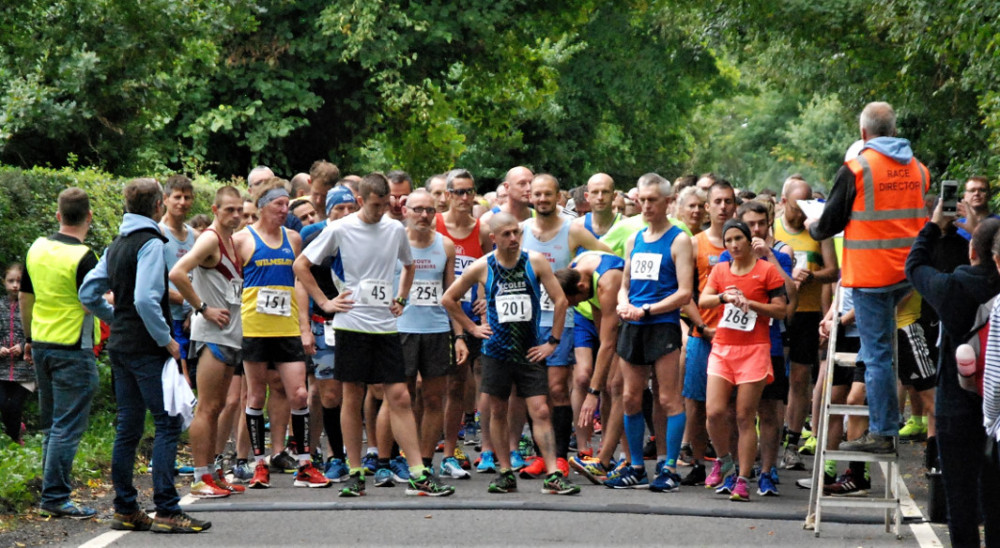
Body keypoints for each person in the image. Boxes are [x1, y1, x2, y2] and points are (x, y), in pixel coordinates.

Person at [294, 172, 455, 498]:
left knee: (400, 397)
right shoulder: (340, 228)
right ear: (360, 201)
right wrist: (325, 303)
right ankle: (355, 472)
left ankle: (418, 473)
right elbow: (301, 265)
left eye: (386, 204)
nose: (383, 210)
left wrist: (401, 298)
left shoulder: (394, 229)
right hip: (351, 324)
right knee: (351, 397)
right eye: (376, 205)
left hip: (385, 327)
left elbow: (409, 265)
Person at [80, 178, 210, 532]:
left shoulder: (116, 244)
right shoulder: (151, 243)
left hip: (120, 346)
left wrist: (115, 319)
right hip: (147, 348)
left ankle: (124, 507)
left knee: (129, 427)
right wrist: (166, 338)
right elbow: (145, 299)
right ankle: (167, 509)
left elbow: (88, 292)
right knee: (167, 423)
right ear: (158, 206)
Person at [809, 101, 930, 453]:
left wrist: (813, 226)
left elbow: (829, 224)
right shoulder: (919, 170)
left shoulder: (857, 167)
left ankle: (882, 430)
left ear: (864, 134)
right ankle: (884, 422)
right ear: (893, 130)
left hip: (872, 276)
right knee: (878, 351)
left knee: (877, 354)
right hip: (907, 275)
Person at [441, 212, 580, 495]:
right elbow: (448, 298)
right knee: (498, 410)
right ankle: (505, 471)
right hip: (496, 351)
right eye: (507, 234)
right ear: (494, 239)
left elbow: (561, 300)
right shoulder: (483, 267)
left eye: (517, 232)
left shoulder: (535, 261)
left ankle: (553, 472)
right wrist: (472, 328)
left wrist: (552, 341)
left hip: (529, 350)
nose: (514, 238)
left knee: (540, 409)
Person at [906, 200, 1000, 547]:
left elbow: (914, 266)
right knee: (995, 496)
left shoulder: (952, 287)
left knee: (959, 499)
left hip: (955, 404)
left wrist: (932, 226)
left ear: (971, 250)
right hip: (998, 409)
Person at [232, 177, 330, 489]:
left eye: (287, 204)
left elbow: (299, 282)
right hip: (255, 329)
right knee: (257, 395)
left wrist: (304, 328)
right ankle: (258, 464)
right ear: (262, 207)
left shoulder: (293, 238)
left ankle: (304, 464)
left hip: (287, 329)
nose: (284, 210)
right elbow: (231, 282)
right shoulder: (241, 240)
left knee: (299, 393)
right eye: (279, 204)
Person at [603, 175, 693, 492]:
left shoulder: (679, 240)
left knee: (668, 397)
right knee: (629, 396)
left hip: (661, 325)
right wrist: (624, 303)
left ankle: (668, 467)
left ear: (668, 202)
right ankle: (637, 466)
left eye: (652, 200)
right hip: (634, 325)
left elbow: (684, 293)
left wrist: (647, 310)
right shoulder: (634, 239)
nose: (645, 206)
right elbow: (625, 283)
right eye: (642, 199)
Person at [517, 173, 610, 477]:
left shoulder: (572, 231)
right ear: (530, 197)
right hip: (527, 320)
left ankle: (557, 455)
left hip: (563, 319)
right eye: (537, 194)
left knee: (557, 388)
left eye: (548, 194)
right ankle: (540, 454)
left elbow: (607, 257)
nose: (542, 199)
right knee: (533, 390)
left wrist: (589, 287)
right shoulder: (519, 231)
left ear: (559, 197)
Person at [19, 188, 100, 519]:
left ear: (58, 215)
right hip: (73, 349)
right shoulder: (85, 257)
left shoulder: (36, 248)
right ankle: (54, 496)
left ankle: (50, 493)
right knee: (67, 426)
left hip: (41, 345)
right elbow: (89, 301)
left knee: (52, 424)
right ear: (89, 217)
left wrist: (28, 337)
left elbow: (26, 297)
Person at [168, 186, 247, 498]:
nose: (236, 215)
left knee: (219, 406)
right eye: (229, 210)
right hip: (211, 335)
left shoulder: (231, 240)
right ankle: (201, 477)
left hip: (230, 335)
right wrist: (202, 308)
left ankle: (212, 473)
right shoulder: (211, 238)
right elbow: (177, 273)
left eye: (239, 210)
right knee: (208, 407)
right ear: (215, 210)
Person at [699, 219, 787, 501]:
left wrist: (752, 304)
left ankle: (743, 478)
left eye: (739, 238)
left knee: (744, 416)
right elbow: (704, 300)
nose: (734, 245)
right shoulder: (721, 269)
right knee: (713, 412)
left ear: (750, 240)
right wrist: (725, 297)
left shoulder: (766, 271)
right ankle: (724, 460)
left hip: (754, 350)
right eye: (729, 240)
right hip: (724, 348)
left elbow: (781, 311)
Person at [717, 201, 797, 497]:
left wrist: (769, 259)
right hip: (735, 347)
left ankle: (767, 470)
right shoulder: (729, 256)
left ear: (769, 224)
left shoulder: (779, 257)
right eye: (749, 225)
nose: (755, 231)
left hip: (770, 344)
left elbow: (791, 304)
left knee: (769, 412)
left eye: (760, 224)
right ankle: (738, 470)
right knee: (735, 413)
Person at [394, 190, 468, 479]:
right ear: (406, 211)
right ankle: (404, 458)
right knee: (403, 397)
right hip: (402, 329)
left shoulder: (446, 246)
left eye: (429, 210)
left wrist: (459, 335)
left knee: (435, 398)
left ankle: (424, 461)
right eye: (418, 210)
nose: (424, 216)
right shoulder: (395, 242)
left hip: (437, 329)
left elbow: (452, 295)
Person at [774, 175, 839, 469]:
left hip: (808, 312)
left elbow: (833, 271)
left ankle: (792, 440)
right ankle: (767, 439)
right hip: (777, 311)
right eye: (796, 205)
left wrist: (811, 275)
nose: (802, 212)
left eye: (807, 205)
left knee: (800, 379)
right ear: (784, 201)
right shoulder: (771, 228)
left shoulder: (818, 231)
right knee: (771, 377)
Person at [678, 181, 737, 486]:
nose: (723, 207)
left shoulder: (741, 242)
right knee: (696, 402)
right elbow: (685, 293)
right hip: (704, 334)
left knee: (732, 408)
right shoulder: (695, 243)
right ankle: (700, 462)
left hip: (738, 339)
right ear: (707, 206)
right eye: (717, 201)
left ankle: (733, 465)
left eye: (728, 201)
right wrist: (700, 326)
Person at [434, 169, 493, 472]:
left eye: (470, 191)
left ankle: (467, 449)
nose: (465, 198)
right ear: (446, 195)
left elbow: (487, 268)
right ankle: (433, 448)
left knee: (470, 380)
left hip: (471, 315)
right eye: (458, 192)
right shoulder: (436, 224)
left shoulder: (481, 229)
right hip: (439, 315)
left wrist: (485, 294)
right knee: (437, 385)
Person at [561, 251, 626, 484]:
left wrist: (592, 393)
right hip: (617, 317)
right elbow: (597, 311)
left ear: (580, 286)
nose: (577, 304)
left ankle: (607, 460)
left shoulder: (607, 282)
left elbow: (609, 342)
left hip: (637, 319)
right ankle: (615, 456)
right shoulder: (577, 268)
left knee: (617, 386)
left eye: (575, 301)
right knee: (610, 383)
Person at [570, 173, 622, 454]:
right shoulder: (576, 227)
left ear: (615, 196)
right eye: (595, 192)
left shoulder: (627, 228)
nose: (600, 197)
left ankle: (610, 450)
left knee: (612, 383)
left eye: (606, 192)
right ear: (586, 196)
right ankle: (583, 447)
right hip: (583, 309)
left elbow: (618, 261)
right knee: (582, 377)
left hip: (611, 305)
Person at [158, 175, 197, 386]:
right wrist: (187, 301)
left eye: (187, 197)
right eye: (177, 197)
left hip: (193, 317)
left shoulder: (195, 236)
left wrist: (194, 308)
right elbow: (154, 283)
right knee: (179, 378)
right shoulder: (157, 234)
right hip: (168, 317)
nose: (182, 202)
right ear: (165, 199)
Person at [0, 264, 29, 446]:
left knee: (15, 405)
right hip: (2, 367)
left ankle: (15, 438)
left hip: (25, 367)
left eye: (19, 281)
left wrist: (23, 345)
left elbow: (37, 330)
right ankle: (15, 431)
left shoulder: (29, 304)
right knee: (3, 403)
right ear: (4, 282)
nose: (15, 285)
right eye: (11, 281)